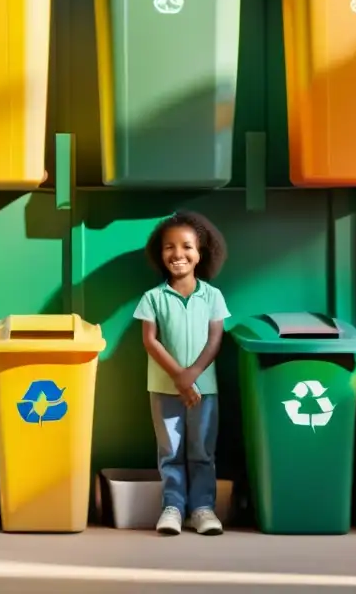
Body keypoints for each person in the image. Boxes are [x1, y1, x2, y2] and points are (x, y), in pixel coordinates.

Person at [133, 210, 230, 536]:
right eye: (169, 247)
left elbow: (216, 338)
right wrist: (179, 376)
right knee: (170, 452)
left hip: (205, 390)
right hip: (163, 388)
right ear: (159, 255)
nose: (178, 254)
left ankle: (203, 509)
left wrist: (194, 374)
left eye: (187, 246)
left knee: (202, 450)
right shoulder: (153, 297)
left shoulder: (213, 296)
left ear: (201, 251)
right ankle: (172, 507)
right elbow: (150, 340)